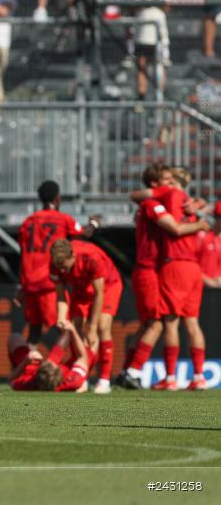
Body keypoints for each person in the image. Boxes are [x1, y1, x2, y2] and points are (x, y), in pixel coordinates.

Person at [118, 164, 207, 389]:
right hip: (154, 269)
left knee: (158, 323)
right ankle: (133, 372)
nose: (169, 184)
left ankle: (144, 374)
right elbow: (175, 228)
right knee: (159, 322)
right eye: (166, 180)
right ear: (155, 184)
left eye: (171, 180)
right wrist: (201, 221)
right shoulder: (153, 204)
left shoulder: (173, 202)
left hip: (169, 267)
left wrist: (197, 206)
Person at [16, 180, 97, 346]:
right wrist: (94, 223)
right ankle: (78, 363)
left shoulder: (28, 222)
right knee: (66, 328)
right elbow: (84, 234)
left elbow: (24, 253)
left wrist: (21, 286)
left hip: (30, 283)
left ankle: (28, 368)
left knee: (34, 330)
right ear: (57, 199)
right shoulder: (62, 219)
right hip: (48, 283)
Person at [49, 239, 122, 394]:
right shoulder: (55, 265)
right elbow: (61, 295)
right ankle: (81, 377)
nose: (62, 271)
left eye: (64, 266)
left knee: (102, 326)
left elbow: (99, 293)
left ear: (73, 256)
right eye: (59, 267)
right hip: (81, 290)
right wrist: (62, 318)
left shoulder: (92, 257)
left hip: (108, 287)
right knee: (74, 328)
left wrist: (92, 327)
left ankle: (104, 379)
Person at [132, 0, 172, 98]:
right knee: (141, 65)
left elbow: (166, 6)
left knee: (160, 65)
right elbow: (134, 7)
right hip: (142, 34)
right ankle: (141, 97)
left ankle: (159, 99)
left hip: (159, 33)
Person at [6, 327, 90, 392]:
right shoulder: (70, 380)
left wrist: (25, 362)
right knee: (90, 348)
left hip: (30, 369)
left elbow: (10, 380)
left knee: (15, 337)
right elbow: (83, 357)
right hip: (67, 371)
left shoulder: (29, 382)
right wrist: (72, 329)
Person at [200, 202, 221, 288]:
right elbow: (192, 264)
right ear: (216, 218)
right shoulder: (203, 236)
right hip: (202, 286)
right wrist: (207, 280)